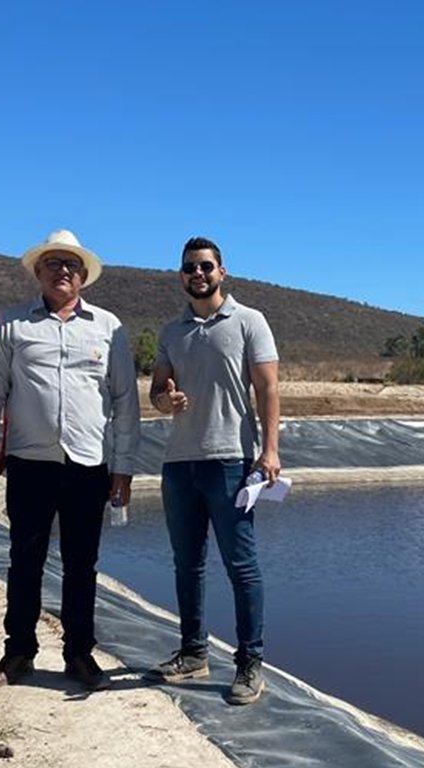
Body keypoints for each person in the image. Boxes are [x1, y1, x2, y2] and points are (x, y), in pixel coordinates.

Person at [0, 229, 140, 691]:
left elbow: (124, 403)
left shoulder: (108, 327)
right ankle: (18, 653)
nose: (63, 271)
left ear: (83, 276)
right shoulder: (13, 324)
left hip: (88, 466)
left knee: (83, 564)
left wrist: (122, 470)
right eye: (53, 264)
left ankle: (79, 656)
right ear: (38, 272)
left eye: (71, 265)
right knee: (25, 560)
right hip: (29, 464)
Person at [148, 236, 281, 705]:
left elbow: (267, 390)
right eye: (189, 268)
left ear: (222, 272)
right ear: (181, 276)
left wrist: (270, 451)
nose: (197, 274)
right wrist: (165, 398)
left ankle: (249, 663)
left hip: (230, 461)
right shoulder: (171, 331)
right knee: (187, 564)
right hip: (179, 463)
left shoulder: (249, 322)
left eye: (205, 266)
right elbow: (157, 391)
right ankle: (192, 652)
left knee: (241, 566)